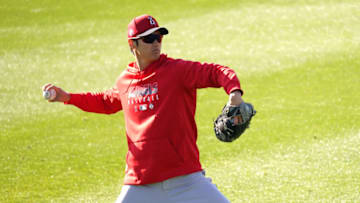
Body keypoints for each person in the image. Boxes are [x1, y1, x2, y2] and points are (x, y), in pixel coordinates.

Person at [43, 14, 245, 203]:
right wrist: (68, 97)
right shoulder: (125, 81)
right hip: (140, 183)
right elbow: (105, 101)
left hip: (185, 179)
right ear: (132, 44)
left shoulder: (177, 71)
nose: (156, 42)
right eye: (148, 39)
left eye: (158, 37)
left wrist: (234, 92)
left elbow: (216, 71)